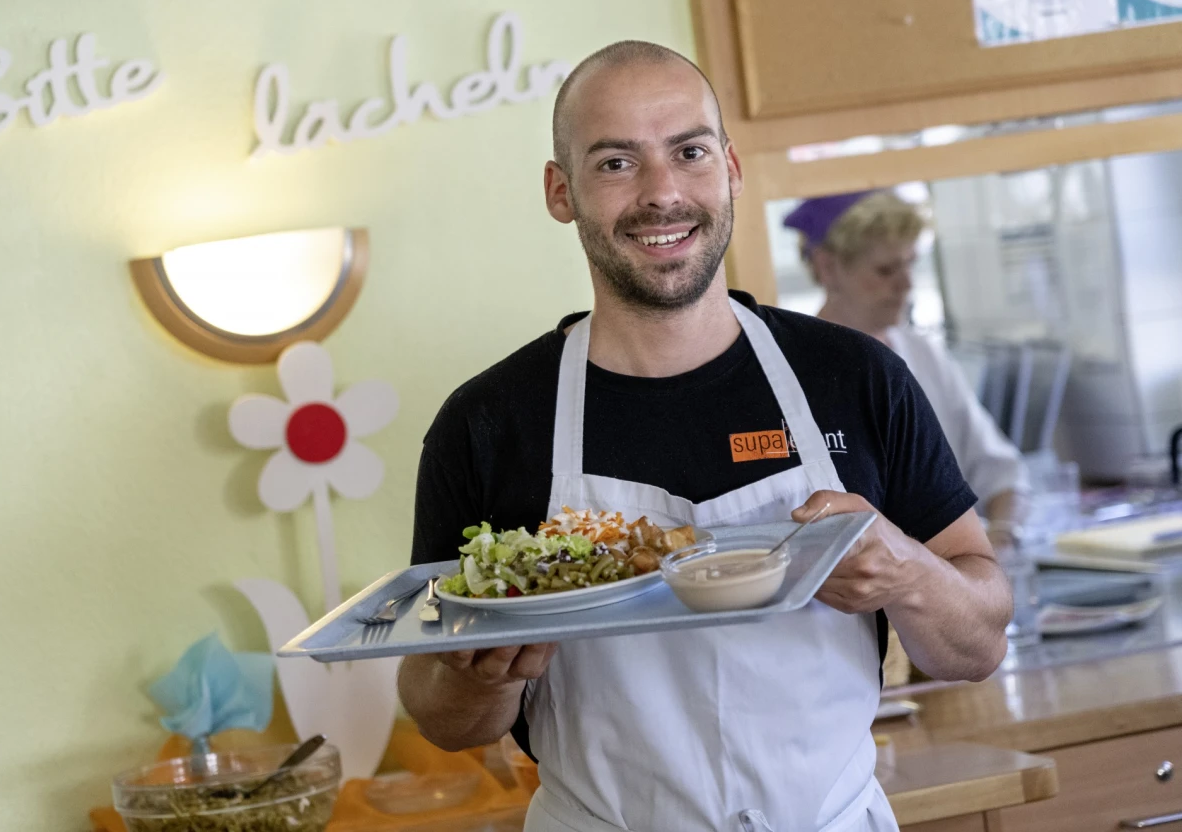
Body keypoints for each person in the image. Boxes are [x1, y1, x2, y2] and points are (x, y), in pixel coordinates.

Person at [398, 41, 1011, 832]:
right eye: (616, 163)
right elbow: (440, 713)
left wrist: (908, 573)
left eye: (688, 153)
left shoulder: (855, 377)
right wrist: (478, 680)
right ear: (561, 191)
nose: (663, 194)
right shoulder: (487, 422)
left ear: (730, 168)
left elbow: (978, 646)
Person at [782, 191, 1030, 547]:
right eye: (886, 270)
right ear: (827, 267)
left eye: (910, 264)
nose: (907, 284)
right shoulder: (792, 370)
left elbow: (1001, 472)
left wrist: (1004, 539)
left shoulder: (924, 355)